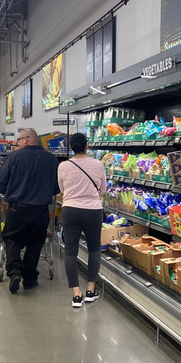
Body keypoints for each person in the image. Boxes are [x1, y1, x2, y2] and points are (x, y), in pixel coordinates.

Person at [0, 129, 59, 293]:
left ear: (26, 140)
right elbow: (56, 188)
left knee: (12, 239)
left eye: (18, 140)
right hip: (40, 210)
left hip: (17, 208)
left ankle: (14, 272)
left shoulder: (14, 157)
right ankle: (30, 278)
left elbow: (1, 183)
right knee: (35, 244)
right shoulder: (52, 159)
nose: (17, 143)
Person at [58, 132, 106, 308]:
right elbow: (103, 190)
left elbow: (62, 189)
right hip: (93, 210)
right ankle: (91, 290)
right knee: (94, 249)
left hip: (70, 209)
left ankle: (76, 294)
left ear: (71, 147)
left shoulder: (63, 166)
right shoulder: (98, 164)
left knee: (71, 252)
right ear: (87, 146)